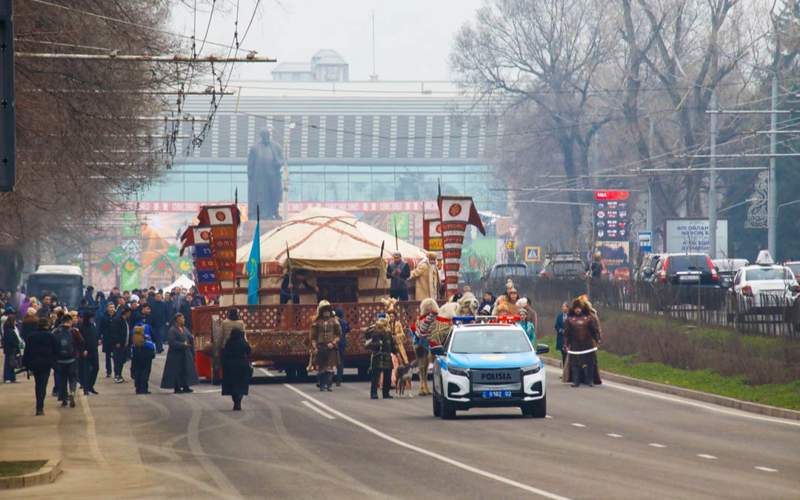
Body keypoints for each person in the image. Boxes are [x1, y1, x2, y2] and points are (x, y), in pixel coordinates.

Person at [563, 295, 603, 387]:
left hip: (588, 344)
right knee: (575, 364)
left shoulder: (589, 318)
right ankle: (576, 381)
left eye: (579, 308)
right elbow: (566, 334)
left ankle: (590, 380)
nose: (577, 310)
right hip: (575, 344)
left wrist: (598, 339)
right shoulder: (569, 320)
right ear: (574, 309)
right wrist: (565, 344)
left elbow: (594, 330)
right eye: (576, 308)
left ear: (582, 308)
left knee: (590, 363)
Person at [22, 317, 58, 415]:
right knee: (43, 385)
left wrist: (25, 364)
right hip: (46, 364)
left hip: (34, 364)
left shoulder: (31, 336)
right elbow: (56, 350)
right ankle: (40, 407)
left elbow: (27, 351)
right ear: (47, 325)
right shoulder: (50, 336)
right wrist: (54, 362)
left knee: (38, 384)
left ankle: (39, 406)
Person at [161, 313, 198, 393]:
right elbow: (171, 342)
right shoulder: (172, 330)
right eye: (182, 318)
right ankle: (177, 387)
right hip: (176, 354)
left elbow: (189, 337)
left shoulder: (184, 328)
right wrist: (182, 344)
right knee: (177, 371)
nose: (184, 320)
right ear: (177, 320)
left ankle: (185, 386)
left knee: (185, 370)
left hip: (185, 353)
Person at [308, 300, 341, 392]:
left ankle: (329, 385)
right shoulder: (317, 322)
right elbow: (313, 336)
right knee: (321, 367)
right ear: (322, 312)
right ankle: (322, 385)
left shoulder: (334, 322)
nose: (326, 313)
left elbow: (338, 335)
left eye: (328, 311)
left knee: (330, 368)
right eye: (324, 311)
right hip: (320, 346)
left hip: (331, 346)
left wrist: (333, 343)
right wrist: (314, 346)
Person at [53, 314, 84, 407]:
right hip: (72, 359)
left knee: (62, 380)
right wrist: (78, 352)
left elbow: (52, 344)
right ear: (70, 321)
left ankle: (63, 399)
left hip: (60, 361)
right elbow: (82, 342)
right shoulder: (74, 331)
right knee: (73, 378)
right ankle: (72, 392)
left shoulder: (55, 331)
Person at [221, 328, 252, 411]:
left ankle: (235, 402)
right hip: (242, 365)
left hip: (230, 366)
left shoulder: (229, 342)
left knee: (232, 385)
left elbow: (224, 353)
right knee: (241, 385)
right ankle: (239, 402)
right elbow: (249, 351)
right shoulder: (243, 342)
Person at [365, 317, 396, 400]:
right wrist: (378, 344)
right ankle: (374, 393)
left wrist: (396, 352)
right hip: (378, 355)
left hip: (386, 356)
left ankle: (386, 393)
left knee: (387, 376)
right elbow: (371, 344)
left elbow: (392, 345)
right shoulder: (375, 333)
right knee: (375, 376)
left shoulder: (389, 333)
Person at [216, 308, 246, 382]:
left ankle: (229, 381)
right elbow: (244, 335)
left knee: (227, 366)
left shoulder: (224, 323)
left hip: (227, 347)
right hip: (239, 347)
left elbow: (221, 336)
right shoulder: (241, 323)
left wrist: (218, 347)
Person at [78, 309, 100, 395]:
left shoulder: (93, 326)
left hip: (94, 350)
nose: (92, 319)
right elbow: (80, 340)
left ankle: (91, 386)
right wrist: (83, 350)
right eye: (91, 318)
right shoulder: (81, 327)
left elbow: (95, 335)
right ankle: (86, 388)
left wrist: (98, 340)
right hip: (86, 352)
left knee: (96, 368)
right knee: (86, 371)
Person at [130, 324, 156, 394]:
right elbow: (152, 346)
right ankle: (143, 388)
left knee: (138, 371)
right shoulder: (146, 338)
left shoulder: (134, 340)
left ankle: (138, 388)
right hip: (146, 355)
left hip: (137, 355)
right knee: (145, 372)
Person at [108, 306, 131, 383]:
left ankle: (120, 375)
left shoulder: (126, 320)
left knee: (122, 360)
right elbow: (114, 332)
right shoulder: (117, 320)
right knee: (117, 360)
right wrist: (117, 342)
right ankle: (117, 375)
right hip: (118, 344)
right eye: (129, 313)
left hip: (124, 344)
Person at [2, 306, 22, 383]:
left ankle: (11, 377)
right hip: (11, 349)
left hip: (10, 349)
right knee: (9, 363)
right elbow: (11, 340)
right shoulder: (10, 330)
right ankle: (8, 377)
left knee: (11, 363)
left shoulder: (8, 329)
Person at [334, 308, 350, 387]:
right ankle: (339, 380)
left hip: (333, 343)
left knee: (330, 361)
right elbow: (348, 330)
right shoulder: (345, 322)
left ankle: (328, 380)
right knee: (341, 363)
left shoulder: (333, 322)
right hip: (342, 343)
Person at [98, 302, 115, 377]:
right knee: (108, 356)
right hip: (107, 338)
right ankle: (109, 371)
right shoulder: (103, 317)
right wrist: (99, 338)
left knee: (116, 356)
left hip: (115, 338)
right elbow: (100, 328)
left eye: (113, 307)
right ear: (107, 308)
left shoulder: (117, 316)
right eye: (110, 307)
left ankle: (117, 371)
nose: (111, 309)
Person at [554, 302, 569, 367]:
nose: (563, 308)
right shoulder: (559, 316)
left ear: (567, 308)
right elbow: (556, 326)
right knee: (563, 355)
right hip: (561, 338)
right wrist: (561, 330)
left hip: (568, 339)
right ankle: (564, 372)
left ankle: (568, 372)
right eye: (562, 306)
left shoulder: (570, 316)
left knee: (568, 356)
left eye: (564, 306)